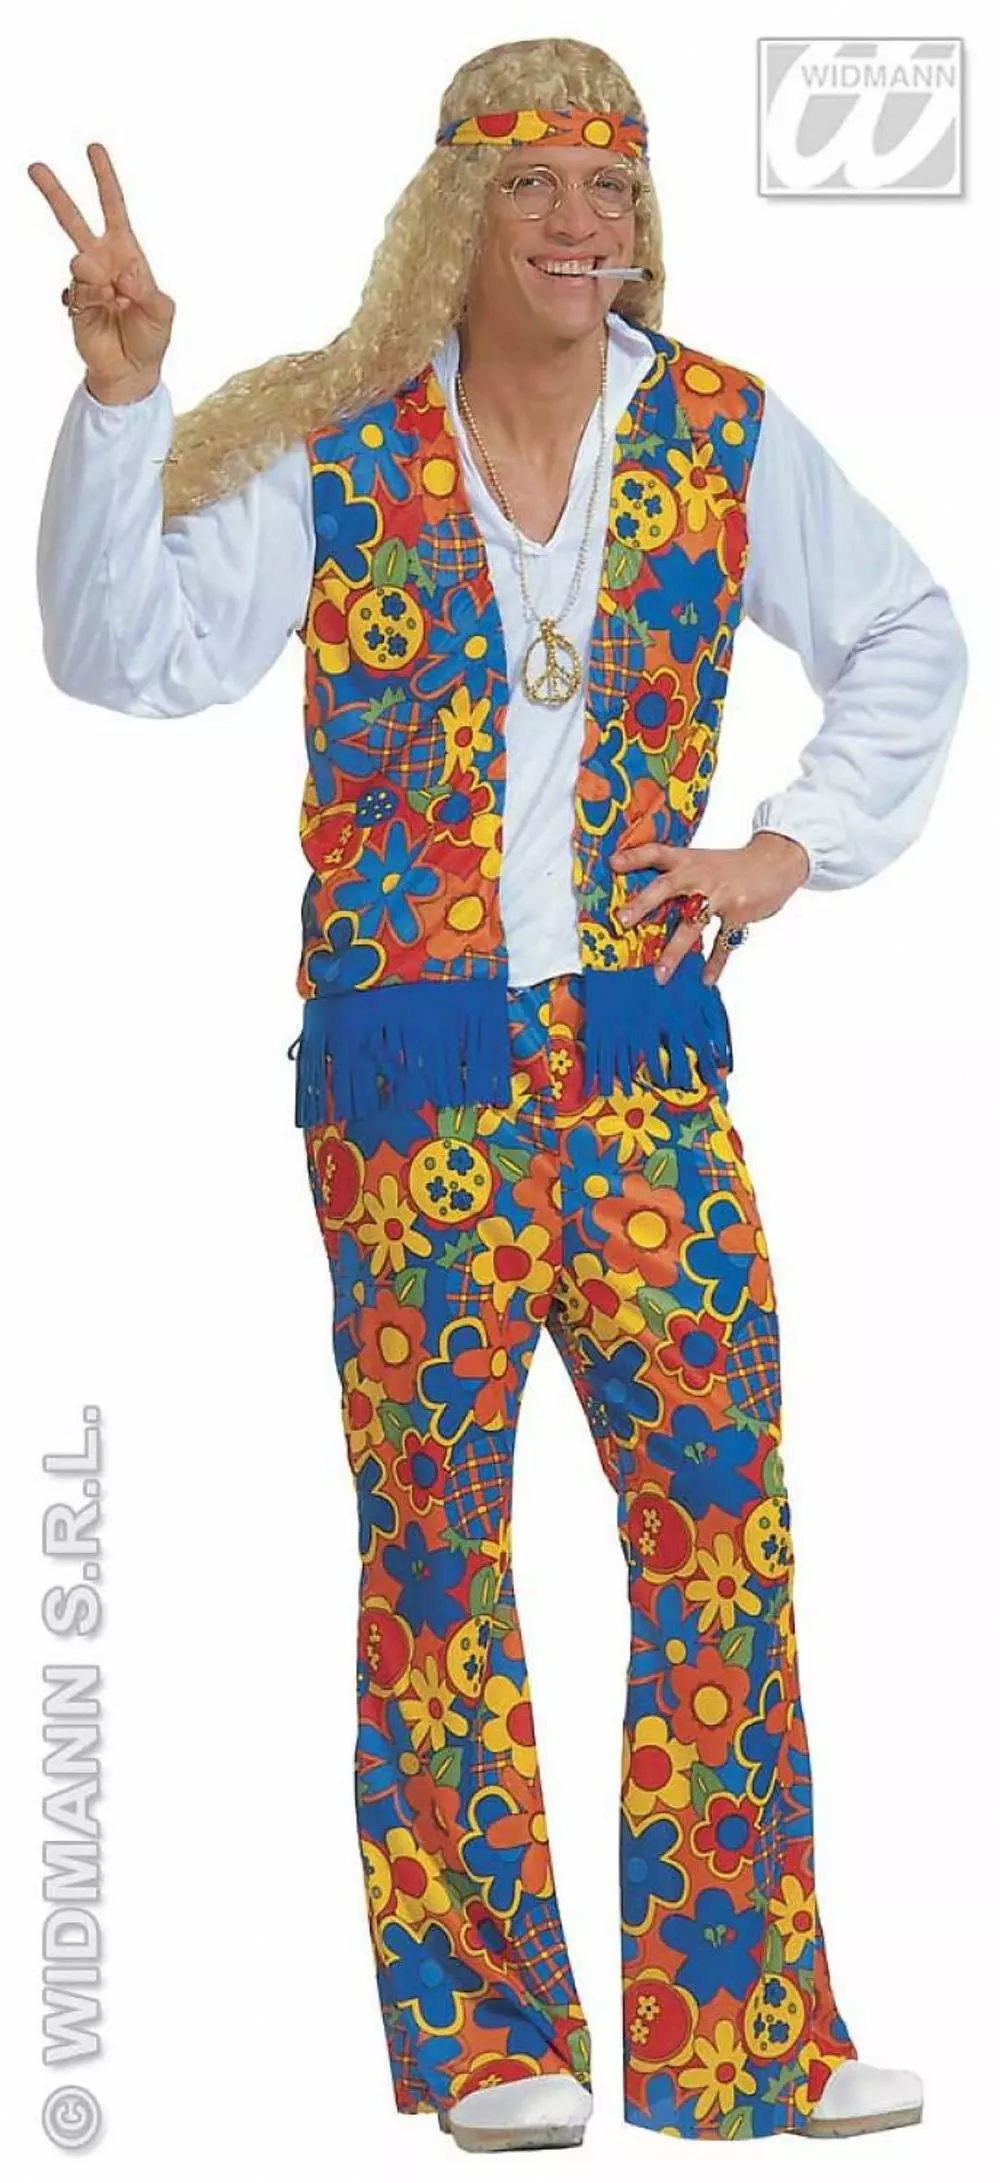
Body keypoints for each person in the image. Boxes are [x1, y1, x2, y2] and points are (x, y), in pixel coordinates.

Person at [30, 35, 966, 2155]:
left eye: (608, 188)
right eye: (534, 184)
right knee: (437, 1546)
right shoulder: (335, 445)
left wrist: (787, 844)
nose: (576, 223)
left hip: (638, 1075)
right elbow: (126, 653)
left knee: (719, 1521)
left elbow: (909, 630)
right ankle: (484, 2036)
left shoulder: (718, 435)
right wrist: (123, 403)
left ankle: (743, 2035)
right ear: (454, 212)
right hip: (416, 1089)